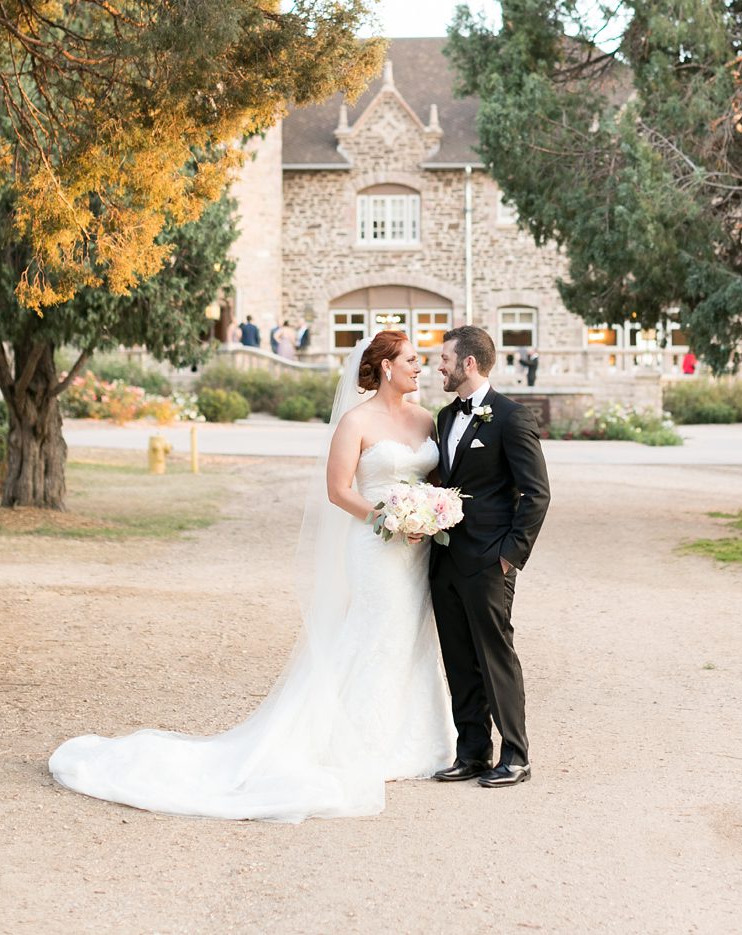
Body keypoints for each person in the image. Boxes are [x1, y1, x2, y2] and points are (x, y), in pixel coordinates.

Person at [47, 330, 453, 820]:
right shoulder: (356, 421)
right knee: (374, 635)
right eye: (412, 359)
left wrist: (429, 512)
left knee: (411, 634)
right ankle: (359, 744)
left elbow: (434, 481)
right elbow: (338, 490)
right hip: (375, 545)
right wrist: (387, 519)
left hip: (416, 551)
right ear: (387, 367)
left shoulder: (425, 419)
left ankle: (416, 740)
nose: (420, 366)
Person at [429, 325, 551, 787]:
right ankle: (472, 753)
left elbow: (537, 494)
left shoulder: (512, 418)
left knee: (495, 656)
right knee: (459, 658)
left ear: (469, 363)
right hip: (444, 560)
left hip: (488, 561)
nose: (438, 367)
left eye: (444, 359)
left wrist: (509, 556)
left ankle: (516, 756)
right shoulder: (444, 417)